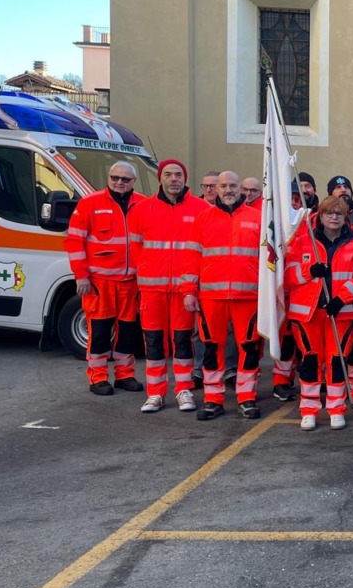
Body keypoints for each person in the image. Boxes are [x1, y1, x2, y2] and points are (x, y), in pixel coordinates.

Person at [181, 171, 263, 419]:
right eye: (224, 185)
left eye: (233, 186)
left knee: (248, 348)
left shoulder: (258, 218)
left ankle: (247, 397)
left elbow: (270, 260)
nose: (228, 190)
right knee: (211, 348)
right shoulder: (203, 218)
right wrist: (188, 291)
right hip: (211, 298)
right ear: (215, 188)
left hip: (248, 296)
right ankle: (213, 399)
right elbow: (191, 257)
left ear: (242, 189)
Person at [128, 158, 206, 413]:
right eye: (169, 175)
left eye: (179, 175)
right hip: (152, 290)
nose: (174, 179)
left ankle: (183, 390)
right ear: (160, 178)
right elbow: (135, 247)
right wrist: (147, 272)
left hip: (185, 290)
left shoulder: (200, 208)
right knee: (154, 342)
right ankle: (155, 393)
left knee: (183, 341)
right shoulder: (142, 209)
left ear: (185, 179)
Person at [65, 161, 147, 395]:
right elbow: (74, 241)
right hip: (100, 282)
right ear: (109, 178)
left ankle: (125, 375)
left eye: (125, 179)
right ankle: (98, 378)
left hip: (131, 282)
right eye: (115, 178)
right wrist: (81, 276)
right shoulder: (90, 203)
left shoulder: (142, 204)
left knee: (128, 333)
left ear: (133, 182)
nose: (119, 182)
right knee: (99, 332)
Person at [285, 196, 353, 431]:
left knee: (336, 361)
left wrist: (342, 298)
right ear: (320, 216)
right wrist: (309, 271)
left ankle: (336, 408)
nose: (333, 217)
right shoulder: (302, 240)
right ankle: (309, 409)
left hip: (342, 312)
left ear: (345, 217)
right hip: (307, 313)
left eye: (338, 214)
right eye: (329, 213)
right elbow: (288, 275)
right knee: (310, 360)